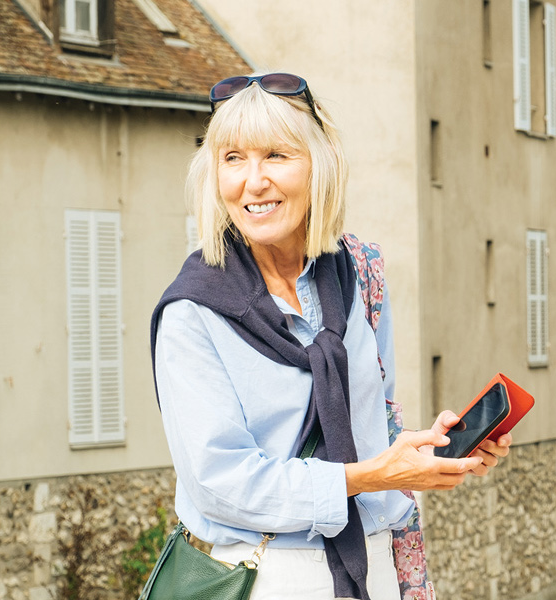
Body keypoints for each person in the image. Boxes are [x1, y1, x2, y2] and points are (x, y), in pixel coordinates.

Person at [150, 73, 512, 600]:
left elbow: (376, 429)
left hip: (374, 570)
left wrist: (431, 451)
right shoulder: (192, 312)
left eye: (276, 155)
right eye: (232, 158)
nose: (253, 181)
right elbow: (220, 484)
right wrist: (366, 477)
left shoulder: (358, 273)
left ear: (320, 165)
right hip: (256, 579)